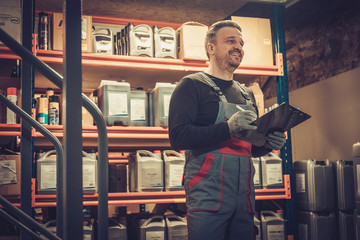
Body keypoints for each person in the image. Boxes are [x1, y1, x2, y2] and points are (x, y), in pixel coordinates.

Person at [168, 20, 286, 240]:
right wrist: (228, 127)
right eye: (230, 41)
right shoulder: (191, 85)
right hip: (207, 196)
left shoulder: (246, 94)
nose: (238, 47)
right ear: (211, 48)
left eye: (241, 43)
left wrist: (268, 143)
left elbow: (247, 148)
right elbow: (178, 137)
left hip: (244, 197)